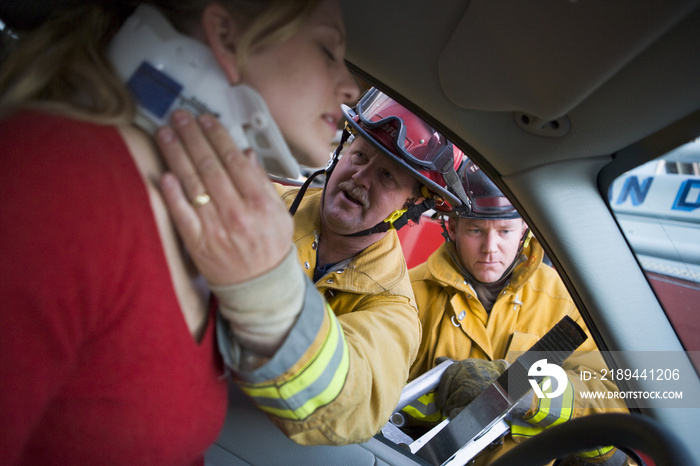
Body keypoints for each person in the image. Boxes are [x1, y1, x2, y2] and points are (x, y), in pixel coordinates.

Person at [0, 1, 359, 464]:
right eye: (328, 50)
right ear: (226, 37)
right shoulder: (54, 187)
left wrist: (268, 288)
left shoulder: (218, 228)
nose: (351, 87)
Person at [155, 87, 471, 445]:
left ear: (411, 208)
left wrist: (261, 284)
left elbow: (351, 399)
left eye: (387, 177)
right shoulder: (254, 202)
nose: (360, 176)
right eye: (360, 154)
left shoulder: (393, 312)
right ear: (341, 152)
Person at [406, 160, 629, 465]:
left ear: (524, 229)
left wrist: (524, 393)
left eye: (505, 231)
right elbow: (378, 396)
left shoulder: (562, 301)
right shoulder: (411, 294)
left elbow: (610, 397)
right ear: (453, 228)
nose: (490, 247)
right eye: (475, 229)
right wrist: (446, 390)